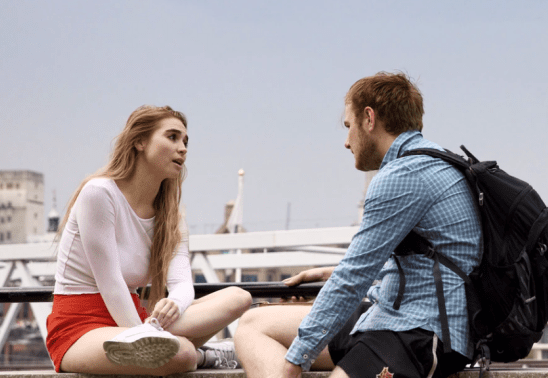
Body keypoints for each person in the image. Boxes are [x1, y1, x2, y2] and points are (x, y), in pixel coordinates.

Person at [235, 72, 481, 378]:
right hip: (388, 315)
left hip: (420, 330)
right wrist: (331, 272)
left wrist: (294, 363)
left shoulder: (402, 176)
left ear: (369, 118)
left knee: (288, 350)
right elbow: (428, 260)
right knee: (253, 325)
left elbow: (352, 279)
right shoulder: (435, 161)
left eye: (348, 126)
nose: (346, 141)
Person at [46, 105, 253, 375]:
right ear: (140, 142)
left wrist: (174, 304)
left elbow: (182, 284)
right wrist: (144, 336)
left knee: (239, 297)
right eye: (172, 137)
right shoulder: (99, 193)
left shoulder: (171, 215)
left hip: (138, 320)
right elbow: (111, 284)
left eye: (185, 141)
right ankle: (206, 355)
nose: (183, 148)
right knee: (182, 353)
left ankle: (169, 346)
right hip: (81, 329)